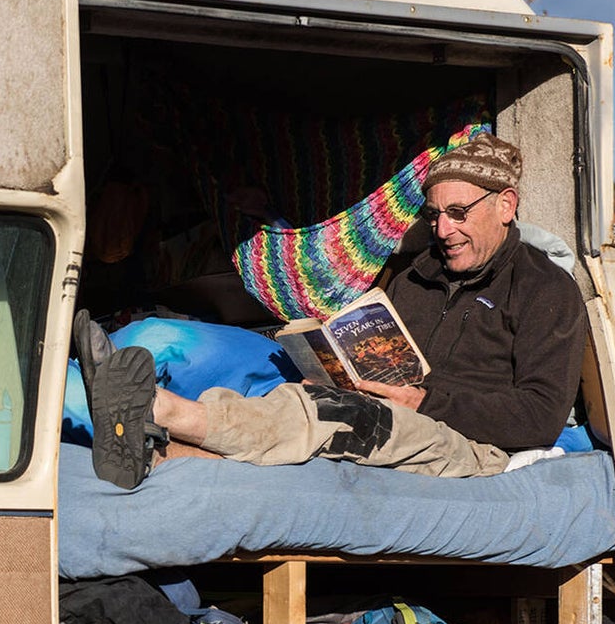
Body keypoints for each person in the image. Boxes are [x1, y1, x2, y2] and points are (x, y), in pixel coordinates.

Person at [79, 133, 587, 489]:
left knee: (342, 417)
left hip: (471, 446)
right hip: (391, 412)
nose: (443, 230)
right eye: (433, 216)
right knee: (298, 391)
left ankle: (151, 408)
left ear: (505, 205)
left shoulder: (546, 289)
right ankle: (150, 451)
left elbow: (541, 416)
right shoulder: (418, 274)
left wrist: (426, 402)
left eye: (459, 214)